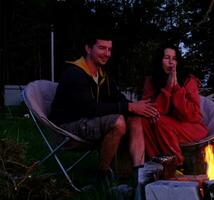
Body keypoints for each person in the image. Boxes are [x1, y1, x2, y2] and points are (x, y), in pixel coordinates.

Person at [49, 31, 159, 183]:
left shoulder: (102, 75)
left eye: (109, 49)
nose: (107, 53)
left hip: (88, 122)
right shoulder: (75, 73)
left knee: (135, 118)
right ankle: (101, 177)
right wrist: (129, 107)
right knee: (118, 122)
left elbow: (118, 98)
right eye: (102, 48)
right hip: (66, 128)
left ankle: (137, 173)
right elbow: (89, 109)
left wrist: (137, 108)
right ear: (88, 48)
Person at [141, 44, 208, 167]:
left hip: (192, 127)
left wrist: (176, 88)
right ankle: (156, 163)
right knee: (143, 121)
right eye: (167, 58)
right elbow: (148, 109)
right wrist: (167, 89)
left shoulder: (188, 80)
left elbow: (192, 115)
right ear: (159, 61)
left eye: (174, 58)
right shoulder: (151, 80)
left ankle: (175, 164)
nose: (171, 62)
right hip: (165, 125)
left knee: (161, 121)